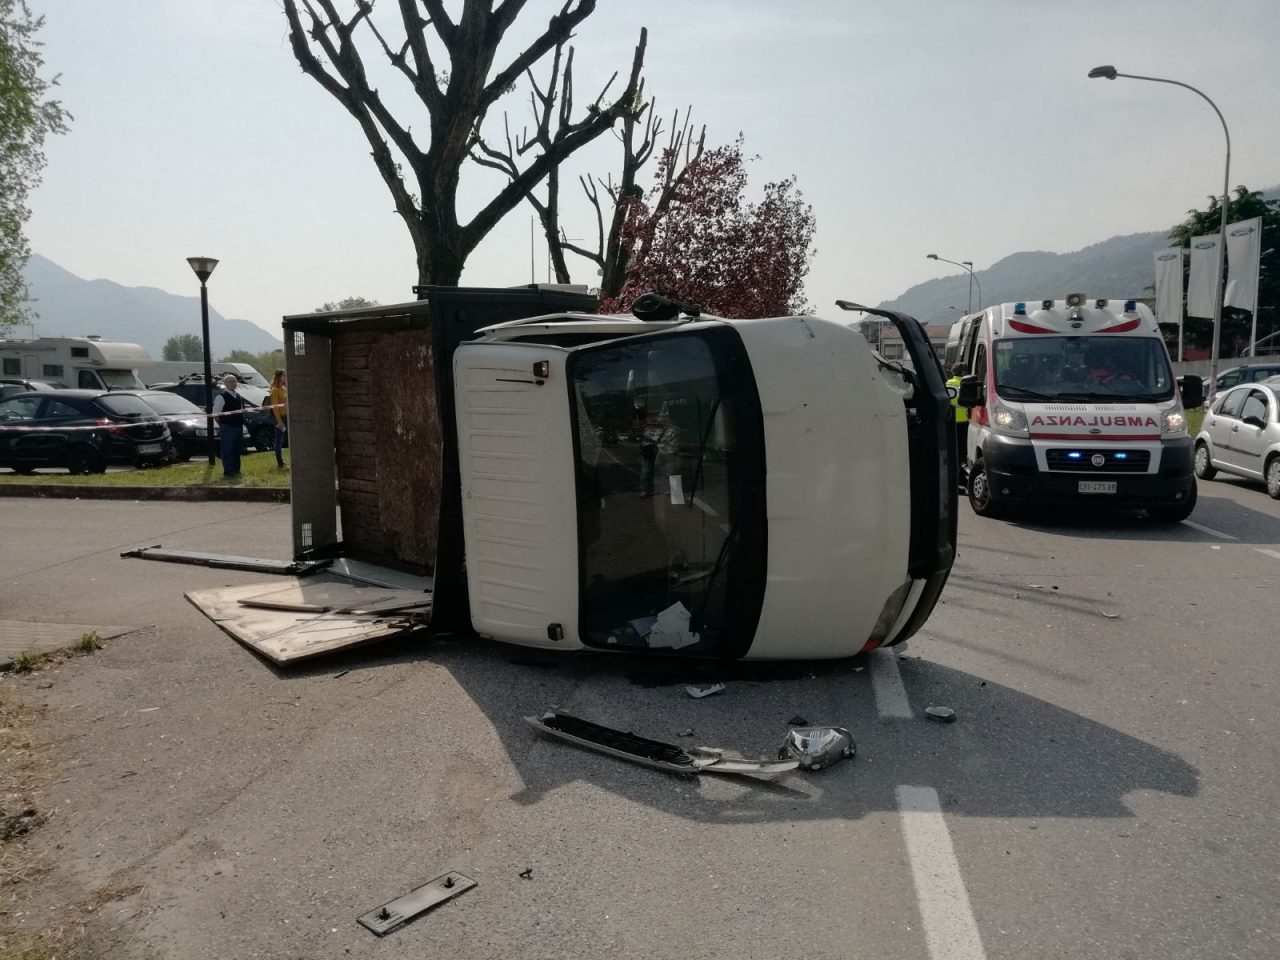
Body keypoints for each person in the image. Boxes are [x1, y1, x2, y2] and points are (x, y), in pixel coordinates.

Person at [211, 374, 245, 478]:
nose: (234, 383)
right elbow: (216, 414)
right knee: (227, 449)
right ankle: (228, 471)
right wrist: (222, 425)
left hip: (238, 427)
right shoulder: (221, 397)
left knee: (236, 449)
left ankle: (236, 470)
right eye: (231, 381)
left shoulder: (238, 396)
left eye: (235, 381)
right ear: (225, 384)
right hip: (227, 427)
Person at [945, 362, 969, 470]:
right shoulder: (965, 384)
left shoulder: (948, 383)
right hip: (963, 421)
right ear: (963, 372)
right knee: (962, 449)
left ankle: (953, 468)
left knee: (952, 447)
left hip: (950, 421)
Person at [268, 368, 288, 468]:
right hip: (279, 417)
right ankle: (280, 462)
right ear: (278, 377)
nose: (285, 377)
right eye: (283, 375)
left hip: (286, 416)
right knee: (278, 440)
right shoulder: (274, 390)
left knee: (284, 439)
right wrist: (279, 422)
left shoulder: (284, 388)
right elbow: (275, 408)